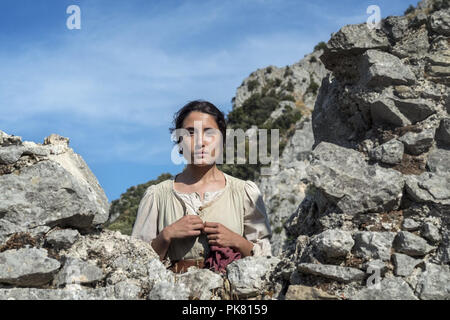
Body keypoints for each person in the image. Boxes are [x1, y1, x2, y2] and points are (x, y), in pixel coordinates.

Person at [131, 100, 272, 273]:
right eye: (190, 132)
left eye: (209, 132)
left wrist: (236, 241)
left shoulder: (244, 193)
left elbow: (266, 261)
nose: (200, 142)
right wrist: (166, 236)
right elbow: (135, 264)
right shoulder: (157, 196)